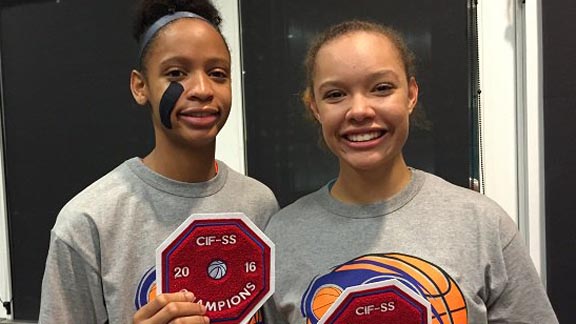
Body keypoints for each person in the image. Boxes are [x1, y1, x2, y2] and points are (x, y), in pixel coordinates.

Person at [265, 20, 558, 324]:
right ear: (315, 108)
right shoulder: (282, 237)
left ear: (411, 95)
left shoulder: (482, 224)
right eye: (336, 94)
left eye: (381, 88)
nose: (360, 110)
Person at [39, 0, 278, 323]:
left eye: (217, 73)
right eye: (176, 73)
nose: (202, 89)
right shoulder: (87, 222)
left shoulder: (259, 204)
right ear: (141, 86)